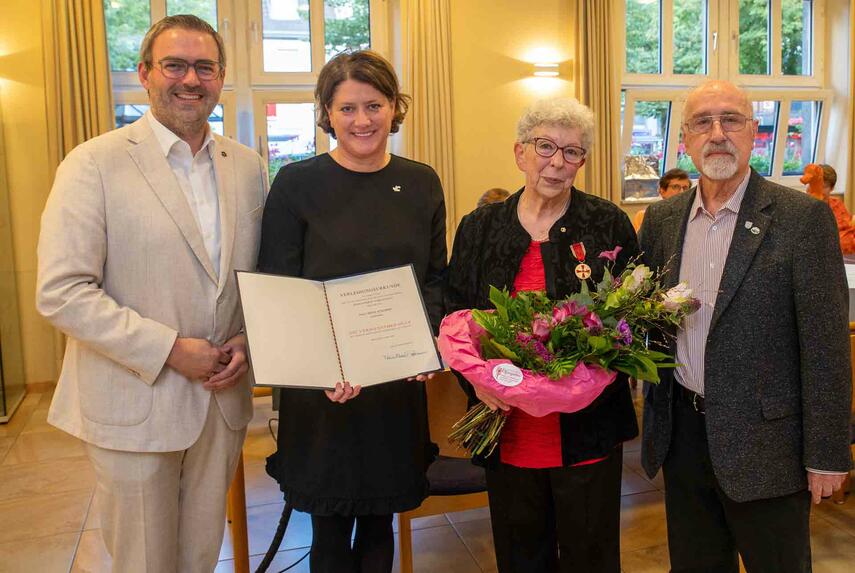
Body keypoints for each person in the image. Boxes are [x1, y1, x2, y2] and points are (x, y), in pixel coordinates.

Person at [36, 15, 267, 572]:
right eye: (174, 65)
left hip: (221, 403)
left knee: (199, 555)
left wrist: (246, 338)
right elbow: (62, 291)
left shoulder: (249, 168)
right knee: (144, 561)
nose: (190, 79)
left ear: (221, 77)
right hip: (133, 403)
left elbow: (256, 277)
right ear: (144, 74)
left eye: (204, 67)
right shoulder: (93, 163)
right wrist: (168, 349)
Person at [639, 80, 851, 573]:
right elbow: (648, 324)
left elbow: (825, 348)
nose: (717, 133)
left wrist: (827, 453)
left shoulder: (803, 218)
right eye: (702, 122)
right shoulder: (662, 219)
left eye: (731, 120)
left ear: (753, 132)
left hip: (768, 447)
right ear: (684, 139)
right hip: (683, 437)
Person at [258, 50, 446, 573]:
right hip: (324, 392)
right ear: (326, 113)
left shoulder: (423, 182)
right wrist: (322, 369)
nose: (361, 120)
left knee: (381, 520)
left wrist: (424, 347)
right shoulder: (296, 184)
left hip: (394, 383)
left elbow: (434, 279)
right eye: (346, 108)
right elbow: (280, 288)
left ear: (394, 107)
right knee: (329, 525)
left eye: (374, 105)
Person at [445, 98, 639, 573]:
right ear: (520, 153)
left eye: (572, 152)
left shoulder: (606, 222)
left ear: (583, 162)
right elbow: (455, 315)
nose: (557, 162)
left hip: (588, 426)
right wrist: (479, 384)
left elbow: (632, 314)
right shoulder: (480, 227)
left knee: (590, 555)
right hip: (507, 423)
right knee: (520, 555)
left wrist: (595, 368)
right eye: (546, 146)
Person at [801, 163, 855, 254]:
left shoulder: (836, 204)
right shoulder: (801, 206)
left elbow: (847, 228)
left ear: (832, 188)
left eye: (823, 187)